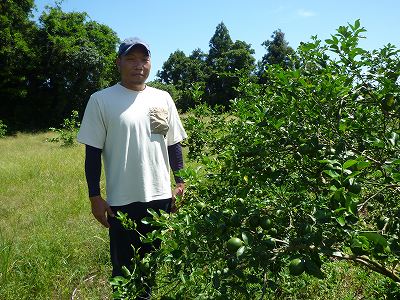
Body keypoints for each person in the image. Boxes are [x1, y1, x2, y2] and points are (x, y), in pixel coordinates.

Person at [77, 37, 187, 290]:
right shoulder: (101, 100)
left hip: (160, 199)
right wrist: (95, 196)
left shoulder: (163, 98)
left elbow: (173, 145)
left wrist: (180, 182)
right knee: (123, 270)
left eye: (144, 59)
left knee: (150, 266)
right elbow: (92, 153)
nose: (139, 65)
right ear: (119, 63)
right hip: (121, 202)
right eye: (131, 59)